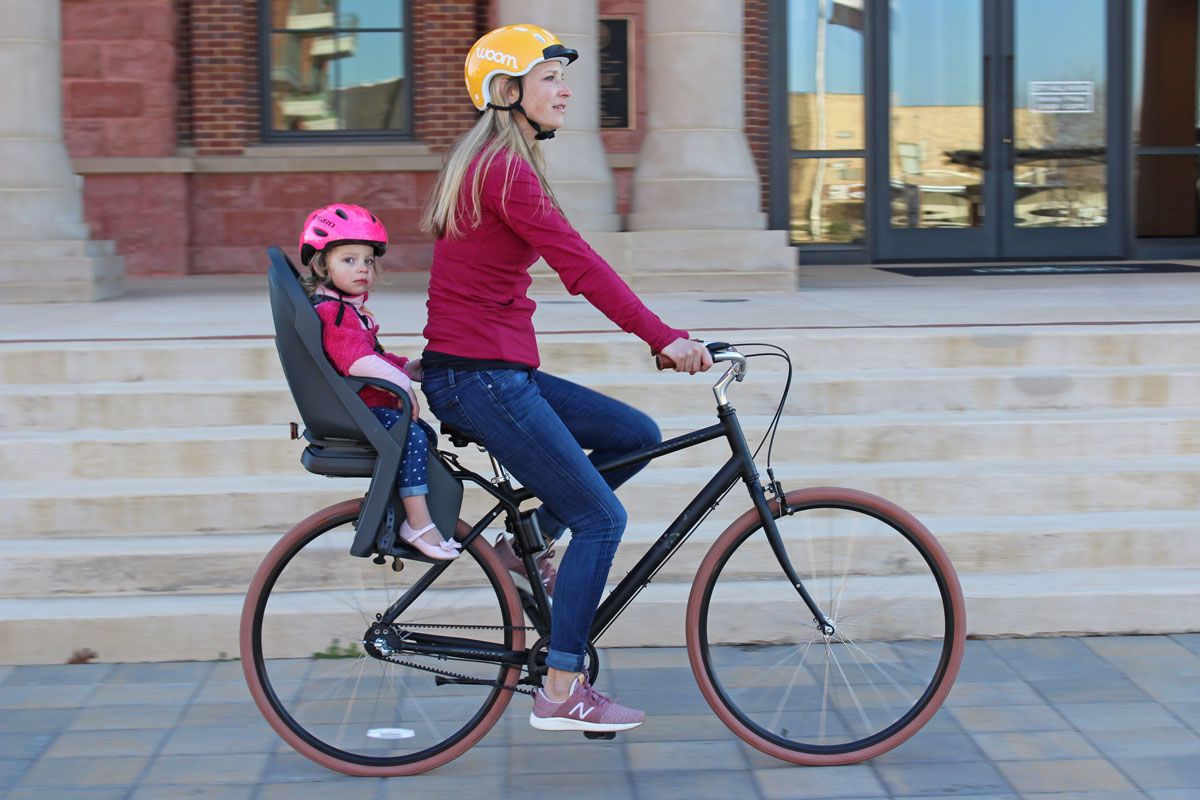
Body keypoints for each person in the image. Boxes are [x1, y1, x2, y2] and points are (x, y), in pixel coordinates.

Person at [418, 24, 712, 732]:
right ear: (507, 90)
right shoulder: (504, 169)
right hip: (480, 378)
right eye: (549, 77)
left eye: (559, 76)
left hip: (489, 370)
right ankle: (560, 686)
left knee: (633, 435)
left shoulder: (499, 162)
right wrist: (662, 337)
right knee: (603, 519)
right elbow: (580, 265)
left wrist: (660, 334)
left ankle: (531, 548)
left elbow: (572, 262)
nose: (564, 89)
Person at [299, 203, 460, 561]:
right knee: (413, 436)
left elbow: (372, 355)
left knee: (423, 437)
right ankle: (416, 522)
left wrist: (408, 367)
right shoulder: (333, 312)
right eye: (349, 260)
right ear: (322, 264)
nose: (362, 269)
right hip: (361, 409)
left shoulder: (344, 309)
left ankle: (406, 511)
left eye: (368, 261)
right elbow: (356, 361)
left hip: (364, 404)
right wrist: (402, 384)